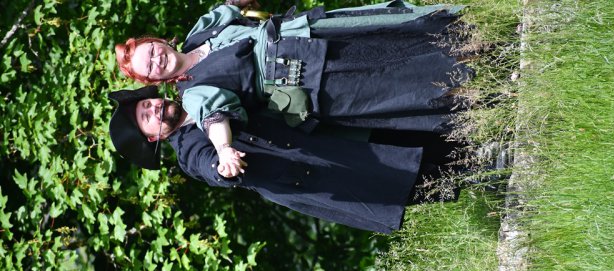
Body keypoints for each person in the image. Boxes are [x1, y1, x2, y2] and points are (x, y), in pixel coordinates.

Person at [108, 87, 461, 234]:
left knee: (414, 139)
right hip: (313, 173)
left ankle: (481, 144)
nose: (154, 109)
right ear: (152, 138)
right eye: (146, 117)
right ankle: (482, 178)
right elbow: (208, 166)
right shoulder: (187, 151)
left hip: (320, 130)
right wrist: (223, 163)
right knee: (412, 178)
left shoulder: (194, 90)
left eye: (147, 104)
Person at [114, 0, 472, 145]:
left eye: (152, 51)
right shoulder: (193, 93)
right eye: (150, 67)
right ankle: (470, 82)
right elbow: (215, 120)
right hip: (309, 82)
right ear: (154, 81)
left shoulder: (199, 31)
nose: (156, 59)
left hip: (309, 35)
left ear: (158, 41)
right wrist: (223, 151)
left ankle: (470, 33)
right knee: (389, 83)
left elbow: (235, 4)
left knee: (387, 32)